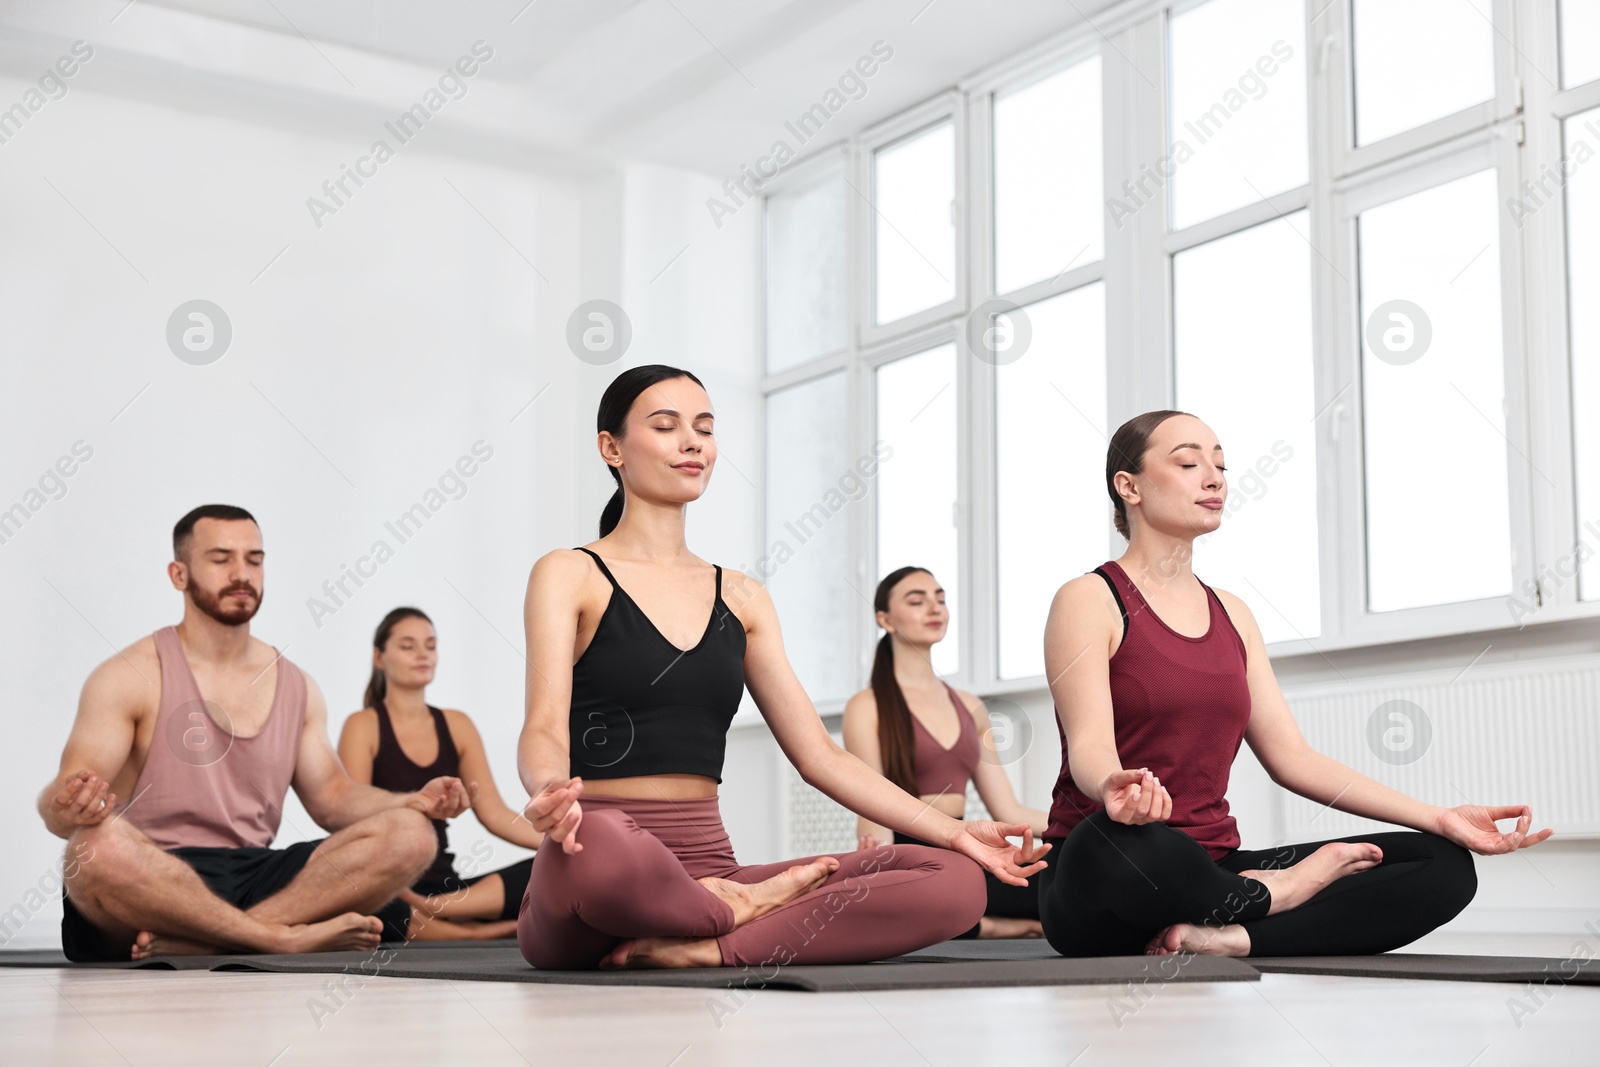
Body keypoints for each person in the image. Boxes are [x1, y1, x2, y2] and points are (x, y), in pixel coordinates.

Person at [515, 365, 1049, 971]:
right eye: (666, 426)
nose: (693, 442)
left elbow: (820, 756)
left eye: (705, 428)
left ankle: (710, 944)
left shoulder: (742, 597)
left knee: (954, 880)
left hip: (716, 868)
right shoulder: (569, 573)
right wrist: (547, 788)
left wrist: (953, 833)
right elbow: (543, 726)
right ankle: (733, 915)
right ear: (611, 448)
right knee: (607, 841)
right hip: (595, 864)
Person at [1038, 411, 1554, 958]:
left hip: (1212, 869)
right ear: (1129, 486)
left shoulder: (1232, 614)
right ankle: (1270, 894)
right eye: (1189, 462)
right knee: (1118, 844)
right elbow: (1090, 746)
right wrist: (1114, 786)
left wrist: (1441, 817)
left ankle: (1230, 935)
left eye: (1220, 464)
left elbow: (1294, 759)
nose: (1214, 478)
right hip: (1114, 875)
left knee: (1443, 864)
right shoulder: (1089, 599)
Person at [38, 505, 471, 962]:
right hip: (152, 877)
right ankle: (277, 938)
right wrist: (67, 806)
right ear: (179, 574)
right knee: (93, 846)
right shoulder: (127, 676)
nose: (242, 574)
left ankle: (219, 938)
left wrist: (410, 801)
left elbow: (332, 799)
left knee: (412, 835)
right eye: (221, 559)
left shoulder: (297, 684)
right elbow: (64, 806)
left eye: (254, 559)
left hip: (254, 875)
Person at [842, 566, 1049, 939]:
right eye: (917, 601)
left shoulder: (970, 706)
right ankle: (986, 926)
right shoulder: (866, 706)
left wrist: (1084, 825)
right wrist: (877, 864)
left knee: (1064, 877)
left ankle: (976, 923)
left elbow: (1009, 811)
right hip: (912, 854)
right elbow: (871, 806)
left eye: (940, 599)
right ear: (884, 619)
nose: (934, 608)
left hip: (969, 850)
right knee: (919, 897)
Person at [338, 607, 542, 941]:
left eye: (430, 645)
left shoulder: (457, 725)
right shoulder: (363, 726)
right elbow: (350, 817)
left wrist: (560, 845)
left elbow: (494, 814)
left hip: (444, 887)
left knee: (548, 870)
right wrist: (416, 806)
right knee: (363, 901)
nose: (422, 654)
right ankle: (470, 934)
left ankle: (440, 911)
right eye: (407, 646)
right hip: (388, 883)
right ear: (379, 657)